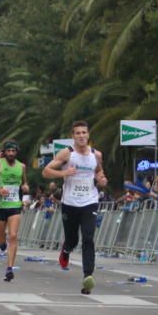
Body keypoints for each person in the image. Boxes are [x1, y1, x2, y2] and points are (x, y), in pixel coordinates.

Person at [42, 121, 108, 295]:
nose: (81, 136)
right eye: (77, 133)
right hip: (70, 203)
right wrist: (63, 173)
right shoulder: (67, 154)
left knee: (88, 238)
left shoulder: (96, 155)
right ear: (73, 136)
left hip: (90, 201)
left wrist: (102, 180)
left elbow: (99, 172)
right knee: (72, 239)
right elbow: (46, 171)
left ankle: (88, 277)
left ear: (88, 135)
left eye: (84, 132)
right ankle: (65, 251)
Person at [0, 141, 29, 282]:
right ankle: (1, 243)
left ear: (16, 152)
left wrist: (25, 187)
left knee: (13, 236)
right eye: (8, 151)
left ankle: (9, 269)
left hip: (15, 205)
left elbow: (25, 182)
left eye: (13, 151)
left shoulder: (22, 167)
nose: (11, 153)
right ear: (5, 152)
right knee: (1, 239)